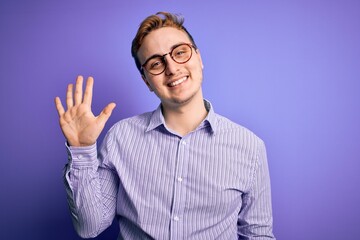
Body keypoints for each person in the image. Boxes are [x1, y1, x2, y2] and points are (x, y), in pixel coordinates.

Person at [55, 12, 275, 239]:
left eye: (180, 52)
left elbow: (258, 234)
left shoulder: (250, 147)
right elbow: (89, 227)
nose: (171, 68)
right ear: (146, 80)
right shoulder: (120, 137)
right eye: (156, 63)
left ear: (199, 57)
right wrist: (82, 149)